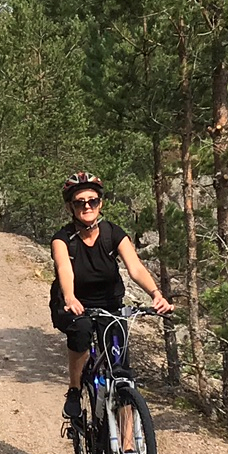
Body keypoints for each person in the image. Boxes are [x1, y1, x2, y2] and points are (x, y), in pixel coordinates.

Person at [50, 171, 171, 427]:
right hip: (75, 303)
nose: (87, 206)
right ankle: (74, 389)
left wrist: (156, 294)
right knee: (81, 331)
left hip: (110, 305)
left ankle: (127, 450)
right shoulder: (63, 239)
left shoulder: (113, 233)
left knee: (121, 374)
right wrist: (70, 297)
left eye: (92, 201)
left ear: (100, 203)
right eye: (80, 202)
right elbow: (65, 270)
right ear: (70, 207)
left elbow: (135, 268)